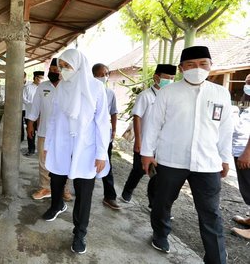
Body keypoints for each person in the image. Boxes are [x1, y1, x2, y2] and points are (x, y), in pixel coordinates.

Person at [141, 46, 232, 263]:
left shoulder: (220, 93)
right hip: (171, 159)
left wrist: (225, 157)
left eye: (203, 64)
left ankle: (215, 257)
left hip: (207, 162)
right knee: (162, 202)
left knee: (210, 212)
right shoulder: (168, 92)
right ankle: (160, 234)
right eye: (190, 65)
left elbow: (226, 129)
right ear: (182, 68)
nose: (197, 69)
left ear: (210, 66)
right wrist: (146, 153)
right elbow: (153, 125)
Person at [42, 49, 111, 255]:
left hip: (86, 149)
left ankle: (80, 233)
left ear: (79, 65)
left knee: (84, 192)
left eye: (66, 66)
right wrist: (47, 146)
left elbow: (102, 123)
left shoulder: (96, 88)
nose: (62, 70)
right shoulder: (61, 87)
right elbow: (53, 120)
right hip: (61, 145)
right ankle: (57, 205)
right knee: (56, 179)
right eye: (60, 66)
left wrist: (101, 153)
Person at [120, 64, 177, 208]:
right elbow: (137, 117)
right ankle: (127, 191)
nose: (170, 81)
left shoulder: (170, 97)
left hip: (162, 144)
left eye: (172, 78)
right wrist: (138, 141)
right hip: (144, 141)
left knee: (157, 175)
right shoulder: (145, 96)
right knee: (138, 170)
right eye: (167, 78)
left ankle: (154, 203)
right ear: (156, 77)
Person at [27, 59, 71, 201]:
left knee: (64, 160)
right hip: (44, 131)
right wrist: (30, 124)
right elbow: (35, 107)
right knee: (43, 161)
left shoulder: (69, 86)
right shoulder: (42, 87)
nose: (54, 73)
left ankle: (65, 189)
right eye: (51, 70)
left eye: (57, 71)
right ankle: (45, 187)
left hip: (65, 133)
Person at [92, 63, 120, 210]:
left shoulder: (110, 93)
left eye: (106, 74)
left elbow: (114, 112)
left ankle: (110, 196)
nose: (104, 77)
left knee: (106, 163)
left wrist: (114, 130)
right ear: (93, 75)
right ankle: (82, 190)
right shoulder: (86, 91)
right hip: (88, 136)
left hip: (104, 135)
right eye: (100, 74)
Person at [231, 84, 250, 239]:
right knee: (246, 187)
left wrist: (247, 153)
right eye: (247, 81)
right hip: (240, 150)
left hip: (247, 152)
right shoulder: (247, 102)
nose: (247, 85)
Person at [23, 71, 44, 156]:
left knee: (42, 132)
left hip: (42, 115)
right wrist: (32, 104)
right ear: (36, 78)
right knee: (30, 133)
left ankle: (41, 150)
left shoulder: (44, 87)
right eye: (41, 78)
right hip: (30, 114)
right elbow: (23, 99)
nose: (42, 80)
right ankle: (31, 149)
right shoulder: (27, 88)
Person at [22, 72, 32, 142]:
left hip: (28, 108)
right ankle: (21, 138)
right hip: (18, 108)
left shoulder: (30, 84)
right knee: (19, 125)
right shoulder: (15, 83)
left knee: (29, 125)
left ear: (25, 77)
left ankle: (30, 139)